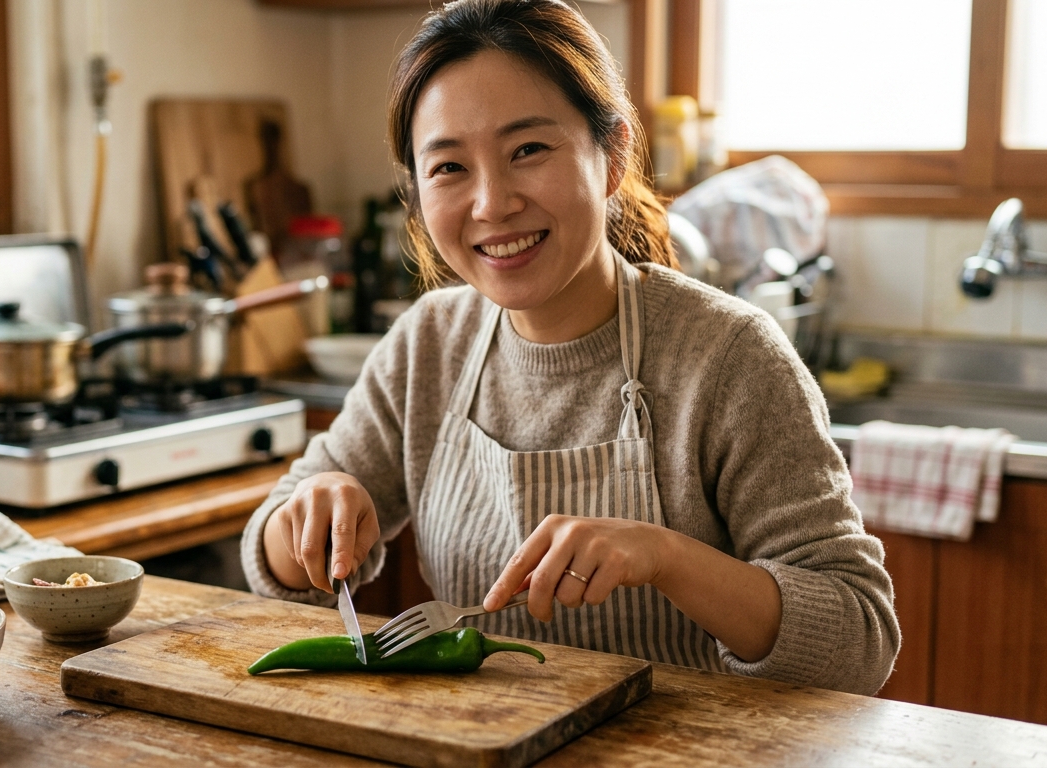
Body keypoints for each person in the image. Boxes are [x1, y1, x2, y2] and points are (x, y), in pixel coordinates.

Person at [241, 0, 898, 695]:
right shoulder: (430, 342)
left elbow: (858, 640)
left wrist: (667, 558)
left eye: (528, 150)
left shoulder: (729, 356)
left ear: (611, 157)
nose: (491, 204)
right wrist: (310, 515)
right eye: (449, 168)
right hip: (474, 744)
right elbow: (274, 552)